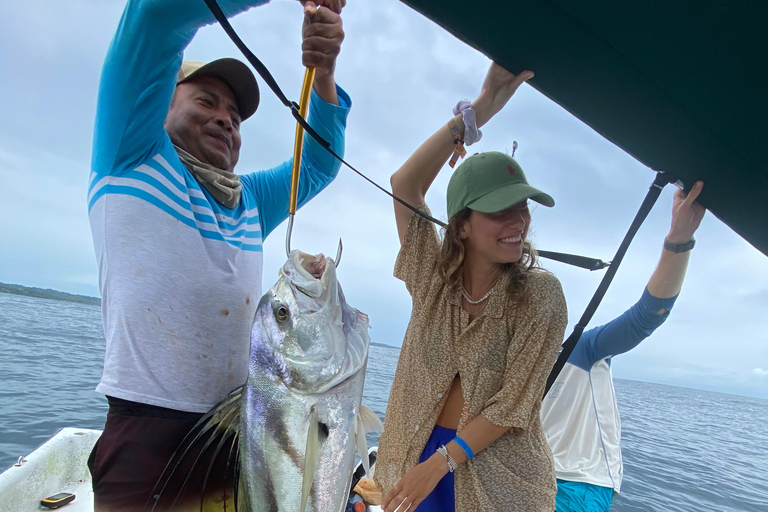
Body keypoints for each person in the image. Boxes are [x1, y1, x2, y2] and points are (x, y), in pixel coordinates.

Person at [85, 0, 349, 509]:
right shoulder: (131, 154)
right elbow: (156, 16)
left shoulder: (248, 199)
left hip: (240, 431)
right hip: (146, 432)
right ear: (159, 102)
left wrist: (325, 75)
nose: (226, 121)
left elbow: (319, 163)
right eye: (206, 102)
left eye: (235, 116)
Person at [375, 63, 569, 512]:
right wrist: (476, 112)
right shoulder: (431, 277)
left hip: (499, 483)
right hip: (411, 455)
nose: (518, 221)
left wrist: (440, 462)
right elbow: (404, 184)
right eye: (500, 210)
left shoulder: (542, 295)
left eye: (522, 206)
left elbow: (514, 404)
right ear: (460, 226)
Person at [540, 181, 706, 512]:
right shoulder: (500, 361)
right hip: (523, 478)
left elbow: (648, 315)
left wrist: (679, 240)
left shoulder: (584, 348)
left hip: (578, 484)